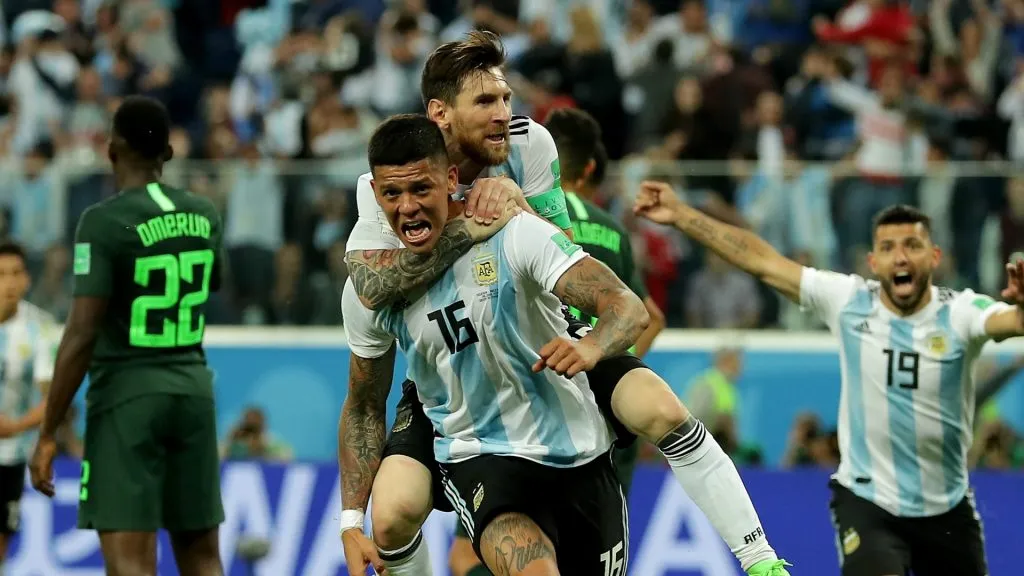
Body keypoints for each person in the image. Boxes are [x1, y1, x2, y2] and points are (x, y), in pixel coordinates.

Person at [341, 34, 791, 576]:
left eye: (505, 98)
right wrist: (468, 224)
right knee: (392, 512)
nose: (504, 113)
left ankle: (762, 561)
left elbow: (556, 252)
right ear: (441, 114)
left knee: (663, 410)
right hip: (451, 360)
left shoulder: (531, 145)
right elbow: (369, 284)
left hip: (545, 330)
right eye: (485, 102)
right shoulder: (388, 179)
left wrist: (518, 207)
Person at [634, 183, 1024, 576]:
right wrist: (683, 215)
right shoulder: (849, 301)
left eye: (912, 245)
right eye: (888, 248)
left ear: (934, 256)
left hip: (948, 507)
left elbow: (1011, 321)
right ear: (873, 261)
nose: (900, 257)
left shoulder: (960, 312)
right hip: (868, 501)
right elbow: (762, 261)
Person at [340, 113, 635, 576]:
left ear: (451, 179)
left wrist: (594, 346)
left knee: (660, 409)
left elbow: (627, 305)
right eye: (392, 193)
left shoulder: (512, 232)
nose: (408, 207)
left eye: (421, 189)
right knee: (395, 512)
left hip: (576, 452)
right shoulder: (371, 293)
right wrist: (351, 521)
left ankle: (756, 552)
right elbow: (363, 404)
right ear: (375, 195)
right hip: (479, 457)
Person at [448, 107, 667, 576]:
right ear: (590, 169)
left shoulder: (494, 214)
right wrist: (604, 375)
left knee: (475, 550)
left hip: (505, 412)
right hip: (593, 422)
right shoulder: (610, 227)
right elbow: (648, 316)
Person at [28, 96, 226, 576]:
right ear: (170, 154)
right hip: (193, 391)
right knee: (202, 557)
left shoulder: (103, 222)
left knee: (131, 563)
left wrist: (49, 430)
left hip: (127, 398)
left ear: (112, 149)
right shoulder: (204, 215)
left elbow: (81, 333)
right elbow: (211, 285)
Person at [0, 242, 59, 566]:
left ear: (27, 280)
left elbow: (51, 397)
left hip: (9, 455)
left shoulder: (40, 328)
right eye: (1, 274)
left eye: (15, 273)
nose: (8, 282)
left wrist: (15, 427)